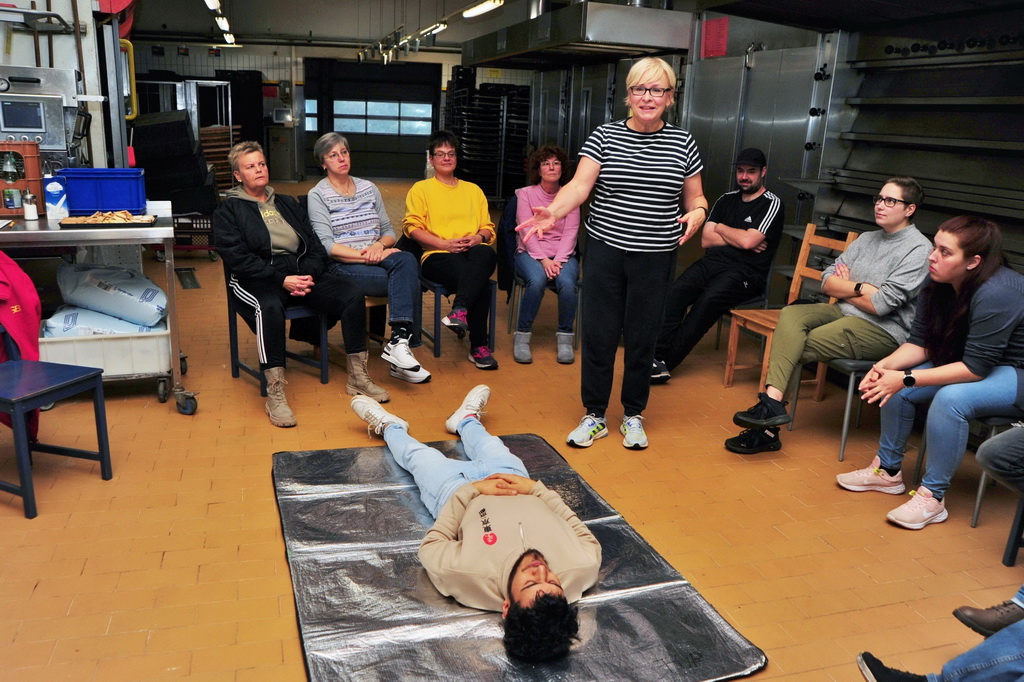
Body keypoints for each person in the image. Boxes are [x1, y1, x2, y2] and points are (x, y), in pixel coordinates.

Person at [517, 57, 710, 450]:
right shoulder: (603, 136)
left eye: (657, 89)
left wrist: (699, 213)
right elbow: (579, 186)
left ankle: (634, 416)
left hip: (655, 255)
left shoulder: (682, 142)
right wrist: (553, 212)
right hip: (607, 250)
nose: (647, 96)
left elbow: (696, 196)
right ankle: (595, 416)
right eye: (640, 88)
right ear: (628, 95)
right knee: (601, 335)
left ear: (670, 97)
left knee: (642, 337)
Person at [350, 385, 602, 662]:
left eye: (530, 583)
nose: (540, 570)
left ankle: (390, 427)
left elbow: (432, 545)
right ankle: (466, 420)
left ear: (507, 607)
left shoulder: (465, 576)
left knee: (416, 456)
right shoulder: (582, 567)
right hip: (516, 480)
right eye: (553, 581)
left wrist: (471, 491)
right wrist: (536, 489)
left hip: (453, 489)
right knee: (491, 445)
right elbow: (579, 529)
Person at [836, 216, 1024, 528]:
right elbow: (920, 343)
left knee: (951, 399)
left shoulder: (999, 291)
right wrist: (882, 368)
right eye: (934, 246)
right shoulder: (936, 279)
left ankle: (933, 498)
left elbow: (975, 369)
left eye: (945, 252)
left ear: (973, 261)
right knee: (894, 384)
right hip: (972, 362)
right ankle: (888, 472)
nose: (932, 256)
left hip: (1016, 373)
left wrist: (907, 376)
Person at [727, 176, 932, 454]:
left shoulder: (919, 250)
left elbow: (883, 305)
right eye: (879, 198)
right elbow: (827, 280)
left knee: (795, 344)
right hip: (841, 311)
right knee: (791, 315)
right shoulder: (867, 239)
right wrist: (862, 287)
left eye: (890, 200)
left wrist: (848, 288)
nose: (880, 206)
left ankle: (766, 427)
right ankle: (772, 406)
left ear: (910, 209)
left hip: (883, 330)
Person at [213, 141, 388, 427]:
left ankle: (358, 377)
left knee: (351, 294)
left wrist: (306, 275)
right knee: (268, 306)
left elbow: (315, 246)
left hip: (298, 274)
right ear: (238, 175)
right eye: (250, 166)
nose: (259, 170)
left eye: (261, 163)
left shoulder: (286, 202)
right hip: (257, 279)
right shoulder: (228, 211)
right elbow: (238, 259)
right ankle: (276, 393)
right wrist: (281, 280)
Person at [306, 132, 431, 384]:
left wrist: (378, 247)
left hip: (377, 258)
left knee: (406, 259)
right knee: (409, 277)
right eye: (333, 155)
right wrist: (369, 256)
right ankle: (402, 347)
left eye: (344, 152)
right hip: (342, 266)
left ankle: (398, 343)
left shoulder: (368, 188)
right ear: (323, 163)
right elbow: (328, 246)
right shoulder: (317, 195)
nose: (341, 158)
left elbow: (388, 231)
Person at [651, 147, 784, 383]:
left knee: (706, 303)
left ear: (763, 172)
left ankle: (665, 364)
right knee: (675, 293)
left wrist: (722, 229)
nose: (744, 177)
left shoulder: (771, 203)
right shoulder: (726, 200)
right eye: (741, 171)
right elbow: (706, 239)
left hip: (745, 274)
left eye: (751, 172)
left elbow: (748, 241)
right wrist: (739, 236)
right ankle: (655, 357)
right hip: (712, 263)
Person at [403, 130, 499, 370]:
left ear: (457, 157)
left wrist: (478, 238)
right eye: (440, 154)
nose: (446, 158)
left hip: (471, 252)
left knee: (487, 253)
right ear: (431, 159)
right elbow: (412, 227)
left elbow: (488, 227)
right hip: (437, 255)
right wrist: (443, 244)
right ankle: (478, 346)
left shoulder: (473, 190)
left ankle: (460, 310)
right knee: (482, 282)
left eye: (451, 154)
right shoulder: (421, 189)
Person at [512, 145, 580, 365]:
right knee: (537, 280)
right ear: (538, 169)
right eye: (545, 163)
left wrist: (558, 261)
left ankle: (565, 338)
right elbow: (525, 231)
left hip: (562, 255)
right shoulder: (526, 194)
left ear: (562, 168)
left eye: (556, 163)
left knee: (568, 284)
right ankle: (522, 337)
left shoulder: (571, 196)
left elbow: (571, 233)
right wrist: (543, 260)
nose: (551, 167)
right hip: (531, 254)